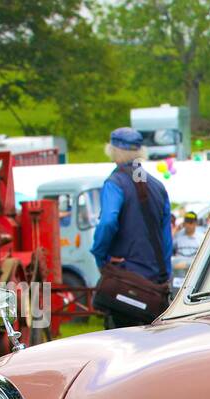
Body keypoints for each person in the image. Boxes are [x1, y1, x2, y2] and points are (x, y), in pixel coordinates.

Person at [91, 127, 172, 323]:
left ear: (113, 150)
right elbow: (166, 238)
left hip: (125, 280)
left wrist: (100, 256)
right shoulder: (158, 186)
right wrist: (165, 275)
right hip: (154, 286)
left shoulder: (115, 183)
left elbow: (108, 220)